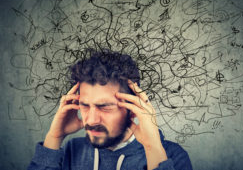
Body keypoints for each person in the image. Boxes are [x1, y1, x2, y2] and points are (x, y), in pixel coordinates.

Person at [27, 49, 193, 170]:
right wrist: (54, 137)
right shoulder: (72, 150)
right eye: (85, 105)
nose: (91, 120)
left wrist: (153, 149)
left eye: (105, 107)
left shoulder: (172, 156)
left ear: (133, 109)